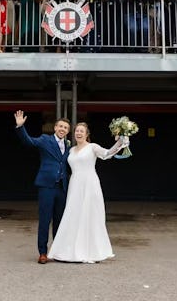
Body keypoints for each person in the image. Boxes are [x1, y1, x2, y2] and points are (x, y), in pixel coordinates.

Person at [47, 122, 128, 263]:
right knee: (73, 214)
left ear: (86, 134)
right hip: (74, 184)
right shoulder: (70, 150)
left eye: (81, 131)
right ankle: (67, 250)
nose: (78, 133)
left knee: (90, 215)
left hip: (90, 184)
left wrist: (120, 142)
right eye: (76, 131)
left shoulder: (93, 147)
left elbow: (107, 154)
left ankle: (90, 251)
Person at [14, 110, 71, 264]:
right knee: (45, 220)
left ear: (68, 131)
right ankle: (43, 252)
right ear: (55, 127)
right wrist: (20, 127)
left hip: (62, 188)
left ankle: (58, 252)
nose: (62, 129)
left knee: (59, 221)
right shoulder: (45, 140)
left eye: (65, 128)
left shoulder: (68, 145)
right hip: (46, 186)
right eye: (60, 126)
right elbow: (28, 141)